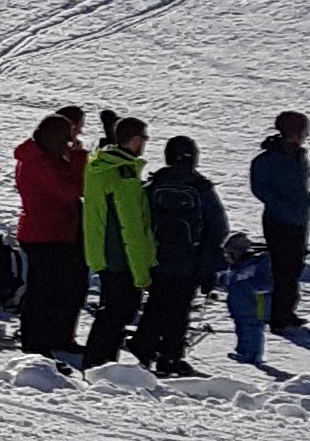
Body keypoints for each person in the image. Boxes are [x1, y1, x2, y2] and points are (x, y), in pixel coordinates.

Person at [139, 137, 227, 376]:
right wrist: (208, 263)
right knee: (179, 311)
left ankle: (143, 353)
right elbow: (218, 227)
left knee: (155, 306)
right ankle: (170, 357)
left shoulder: (155, 184)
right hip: (189, 261)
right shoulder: (200, 188)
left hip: (157, 258)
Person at [14, 106, 89, 359]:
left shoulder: (43, 157)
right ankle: (35, 342)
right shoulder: (39, 162)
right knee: (42, 291)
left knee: (61, 288)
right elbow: (70, 191)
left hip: (54, 231)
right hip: (45, 233)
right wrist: (77, 158)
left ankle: (56, 337)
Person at [80, 114, 153, 368]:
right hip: (121, 256)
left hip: (103, 250)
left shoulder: (100, 165)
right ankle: (101, 363)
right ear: (134, 140)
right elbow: (131, 226)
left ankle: (99, 361)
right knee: (117, 312)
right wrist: (142, 272)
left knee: (111, 309)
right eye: (143, 138)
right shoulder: (122, 174)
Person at [249, 111, 310, 334]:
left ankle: (287, 311)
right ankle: (279, 317)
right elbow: (260, 188)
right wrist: (281, 205)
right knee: (283, 269)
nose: (306, 135)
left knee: (295, 266)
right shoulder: (268, 159)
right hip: (278, 221)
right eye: (303, 130)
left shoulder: (298, 155)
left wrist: (306, 201)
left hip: (298, 219)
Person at [227, 230, 273, 369]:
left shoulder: (258, 263)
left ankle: (252, 356)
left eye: (231, 253)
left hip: (257, 304)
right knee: (241, 329)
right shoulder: (235, 268)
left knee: (253, 329)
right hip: (239, 306)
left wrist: (249, 285)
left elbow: (264, 284)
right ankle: (242, 351)